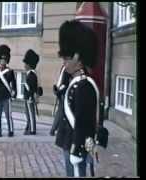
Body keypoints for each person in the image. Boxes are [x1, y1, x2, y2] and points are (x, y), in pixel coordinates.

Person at [55, 20, 100, 177]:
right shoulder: (75, 82)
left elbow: (82, 121)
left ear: (78, 57)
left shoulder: (84, 85)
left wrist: (77, 148)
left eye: (67, 58)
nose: (64, 62)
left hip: (76, 144)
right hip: (69, 139)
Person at [0, 45, 17, 137]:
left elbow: (14, 84)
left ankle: (11, 130)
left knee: (8, 115)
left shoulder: (10, 72)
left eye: (4, 60)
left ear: (7, 61)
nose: (3, 62)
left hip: (6, 97)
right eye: (1, 60)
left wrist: (13, 93)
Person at [50, 64, 71, 136]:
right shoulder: (67, 68)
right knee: (61, 112)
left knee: (61, 112)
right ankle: (54, 129)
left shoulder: (64, 67)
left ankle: (56, 129)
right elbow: (64, 82)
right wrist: (58, 90)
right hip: (63, 92)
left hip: (62, 91)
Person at [22, 49, 40, 135]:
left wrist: (29, 97)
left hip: (29, 97)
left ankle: (33, 130)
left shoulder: (32, 75)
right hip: (27, 97)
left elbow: (31, 88)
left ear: (29, 64)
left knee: (31, 114)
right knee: (28, 113)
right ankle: (29, 126)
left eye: (26, 64)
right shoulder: (29, 74)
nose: (24, 65)